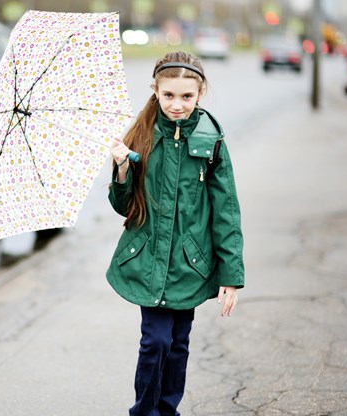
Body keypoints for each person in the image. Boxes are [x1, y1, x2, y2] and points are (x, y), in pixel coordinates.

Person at [107, 51, 245, 416]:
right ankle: (144, 411)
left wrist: (231, 276)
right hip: (149, 258)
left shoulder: (211, 141)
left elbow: (226, 211)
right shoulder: (139, 136)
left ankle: (167, 410)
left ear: (200, 94)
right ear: (155, 92)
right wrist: (121, 170)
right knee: (155, 341)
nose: (177, 105)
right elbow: (123, 206)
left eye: (187, 96)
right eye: (169, 95)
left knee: (178, 344)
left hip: (190, 262)